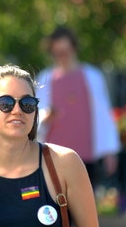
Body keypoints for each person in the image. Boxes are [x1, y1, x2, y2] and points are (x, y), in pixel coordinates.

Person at [0, 64, 100, 227]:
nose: (17, 110)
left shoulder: (65, 163)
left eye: (27, 103)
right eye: (5, 102)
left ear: (35, 111)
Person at [35, 26, 121, 187]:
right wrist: (46, 116)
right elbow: (36, 116)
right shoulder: (45, 78)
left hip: (85, 156)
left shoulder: (93, 77)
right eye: (57, 53)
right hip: (52, 156)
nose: (62, 57)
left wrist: (110, 152)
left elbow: (103, 115)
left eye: (65, 51)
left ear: (74, 49)